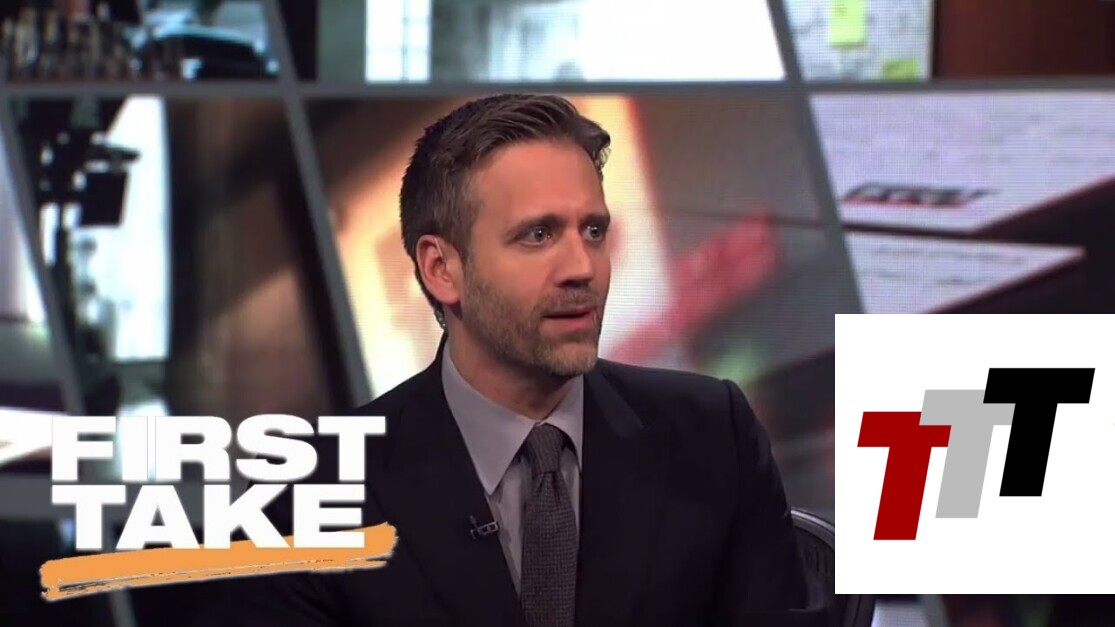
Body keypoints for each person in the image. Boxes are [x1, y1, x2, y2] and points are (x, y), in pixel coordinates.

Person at [215, 94, 828, 626]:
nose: (582, 268)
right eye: (538, 235)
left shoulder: (712, 434)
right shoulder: (313, 489)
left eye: (593, 232)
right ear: (441, 269)